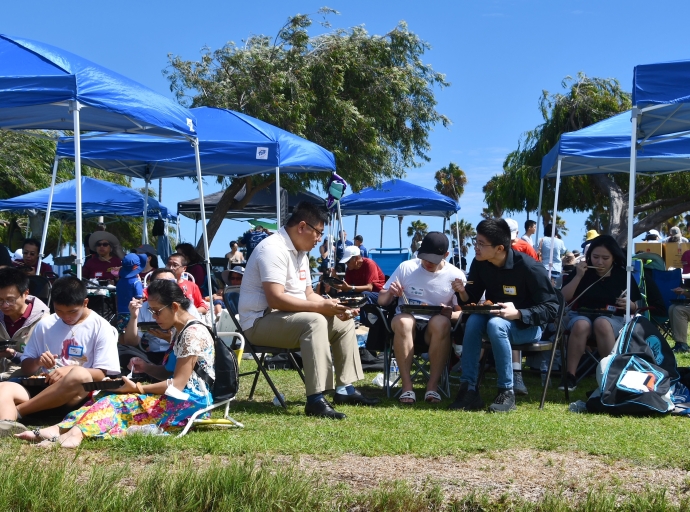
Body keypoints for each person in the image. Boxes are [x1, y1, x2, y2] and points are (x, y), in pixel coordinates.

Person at [17, 279, 215, 447]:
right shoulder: (180, 330)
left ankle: (75, 434)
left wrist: (137, 389)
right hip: (179, 398)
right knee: (103, 395)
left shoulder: (192, 334)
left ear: (174, 307)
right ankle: (58, 429)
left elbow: (178, 385)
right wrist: (147, 368)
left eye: (156, 311)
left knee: (117, 401)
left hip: (190, 404)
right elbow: (168, 373)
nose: (153, 317)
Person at [239, 201, 378, 419]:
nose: (320, 239)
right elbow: (275, 299)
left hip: (287, 319)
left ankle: (344, 389)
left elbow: (308, 295)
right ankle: (316, 398)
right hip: (259, 323)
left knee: (343, 322)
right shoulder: (272, 249)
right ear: (302, 227)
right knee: (315, 322)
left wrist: (335, 307)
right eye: (319, 232)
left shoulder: (300, 252)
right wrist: (321, 307)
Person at [450, 219, 559, 413]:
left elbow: (552, 308)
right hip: (494, 320)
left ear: (500, 248)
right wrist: (463, 292)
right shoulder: (480, 263)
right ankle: (469, 390)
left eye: (481, 244)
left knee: (496, 325)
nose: (476, 247)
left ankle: (507, 392)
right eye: (476, 242)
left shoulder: (529, 267)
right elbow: (471, 300)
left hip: (529, 327)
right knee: (474, 320)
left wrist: (518, 313)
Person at [0, 276, 120, 435]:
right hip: (44, 388)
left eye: (72, 311)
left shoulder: (101, 327)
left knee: (79, 374)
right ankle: (5, 426)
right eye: (59, 311)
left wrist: (69, 370)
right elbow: (27, 367)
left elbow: (102, 372)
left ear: (85, 303)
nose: (66, 317)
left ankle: (19, 412)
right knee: (5, 387)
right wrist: (38, 361)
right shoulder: (46, 324)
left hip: (77, 394)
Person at [379, 232, 465, 404]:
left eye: (433, 260)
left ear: (445, 255)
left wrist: (450, 314)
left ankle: (432, 386)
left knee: (441, 322)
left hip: (433, 328)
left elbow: (461, 313)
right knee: (404, 321)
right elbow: (381, 300)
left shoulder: (455, 276)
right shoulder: (407, 267)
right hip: (405, 323)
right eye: (424, 257)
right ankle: (407, 387)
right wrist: (390, 292)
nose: (427, 263)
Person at [559, 235, 641, 392]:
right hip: (581, 315)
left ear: (613, 258)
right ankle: (570, 375)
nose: (599, 262)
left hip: (612, 319)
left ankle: (610, 375)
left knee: (601, 323)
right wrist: (578, 276)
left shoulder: (622, 275)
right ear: (589, 256)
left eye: (605, 258)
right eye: (595, 257)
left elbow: (637, 306)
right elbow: (564, 298)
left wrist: (630, 305)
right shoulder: (581, 271)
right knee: (580, 324)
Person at [121, 268, 201, 368]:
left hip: (179, 352)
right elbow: (131, 342)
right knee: (122, 351)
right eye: (161, 283)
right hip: (154, 354)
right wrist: (134, 317)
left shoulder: (186, 307)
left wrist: (169, 339)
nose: (154, 316)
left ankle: (150, 369)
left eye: (171, 282)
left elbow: (195, 343)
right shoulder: (145, 306)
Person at [0, 267, 50, 378]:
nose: (4, 305)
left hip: (25, 383)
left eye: (10, 300)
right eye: (0, 300)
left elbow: (43, 367)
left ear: (26, 293)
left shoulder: (44, 322)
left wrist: (13, 355)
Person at [114, 254, 146, 333]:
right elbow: (140, 297)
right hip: (133, 313)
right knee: (134, 333)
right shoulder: (136, 282)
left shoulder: (120, 282)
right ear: (136, 268)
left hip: (121, 312)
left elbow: (117, 297)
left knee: (122, 335)